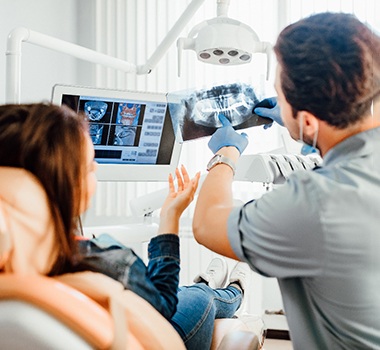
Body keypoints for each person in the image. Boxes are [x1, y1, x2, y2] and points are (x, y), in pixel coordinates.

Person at [193, 12, 380, 350]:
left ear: (308, 120)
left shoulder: (314, 204)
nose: (278, 101)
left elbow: (206, 224)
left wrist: (226, 155)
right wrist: (298, 122)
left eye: (280, 96)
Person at [0, 102, 252, 350]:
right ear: (67, 185)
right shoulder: (108, 263)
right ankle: (234, 291)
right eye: (89, 166)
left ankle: (211, 280)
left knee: (188, 290)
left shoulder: (19, 265)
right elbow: (163, 304)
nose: (96, 168)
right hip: (160, 328)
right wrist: (171, 215)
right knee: (199, 295)